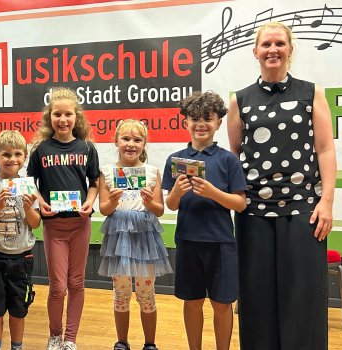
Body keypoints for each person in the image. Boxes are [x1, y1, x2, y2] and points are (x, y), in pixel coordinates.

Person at [226, 21, 336, 350]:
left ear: (289, 50)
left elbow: (325, 149)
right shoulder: (239, 99)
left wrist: (326, 201)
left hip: (304, 209)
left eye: (279, 44)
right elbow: (234, 154)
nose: (272, 49)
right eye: (266, 44)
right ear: (255, 51)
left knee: (303, 295)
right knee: (256, 296)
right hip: (253, 212)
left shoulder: (311, 92)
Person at [163, 91, 247, 350]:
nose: (201, 124)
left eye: (207, 118)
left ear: (219, 122)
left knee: (222, 304)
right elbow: (171, 204)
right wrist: (176, 192)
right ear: (185, 122)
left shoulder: (228, 160)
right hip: (188, 241)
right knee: (192, 301)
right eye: (194, 118)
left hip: (221, 243)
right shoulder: (175, 160)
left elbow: (241, 203)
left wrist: (213, 193)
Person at [27, 87, 100, 350]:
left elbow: (94, 182)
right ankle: (55, 335)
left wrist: (90, 202)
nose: (63, 119)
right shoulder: (41, 149)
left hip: (80, 224)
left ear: (76, 116)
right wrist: (40, 201)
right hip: (53, 226)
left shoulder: (87, 148)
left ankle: (70, 339)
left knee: (76, 283)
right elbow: (29, 183)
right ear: (49, 117)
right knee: (58, 286)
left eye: (68, 114)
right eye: (57, 114)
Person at [97, 120, 173, 350]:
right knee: (120, 292)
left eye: (137, 140)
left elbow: (160, 210)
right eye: (126, 139)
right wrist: (113, 200)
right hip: (119, 239)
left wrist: (150, 203)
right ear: (116, 141)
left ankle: (150, 343)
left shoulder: (151, 172)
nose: (131, 144)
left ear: (145, 144)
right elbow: (104, 209)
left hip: (144, 238)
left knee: (146, 292)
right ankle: (122, 342)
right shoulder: (107, 173)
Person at [0, 130, 41, 350]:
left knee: (18, 309)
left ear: (25, 156)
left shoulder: (29, 186)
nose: (12, 159)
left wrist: (29, 207)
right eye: (7, 154)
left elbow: (35, 223)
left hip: (21, 257)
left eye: (18, 154)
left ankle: (17, 347)